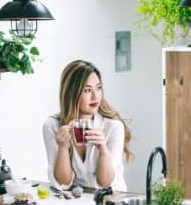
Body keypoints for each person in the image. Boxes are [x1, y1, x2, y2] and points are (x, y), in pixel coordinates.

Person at [42, 60, 132, 191]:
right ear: (72, 93)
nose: (96, 96)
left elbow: (105, 183)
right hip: (78, 202)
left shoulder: (113, 127)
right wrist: (63, 147)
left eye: (99, 88)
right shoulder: (52, 125)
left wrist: (103, 150)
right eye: (87, 90)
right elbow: (63, 183)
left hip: (111, 201)